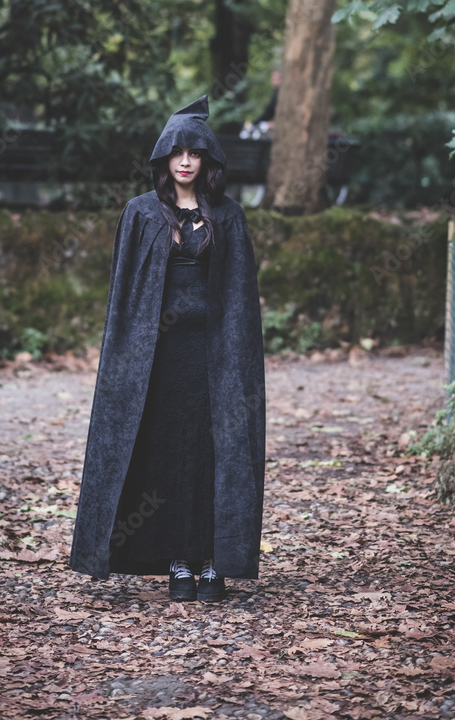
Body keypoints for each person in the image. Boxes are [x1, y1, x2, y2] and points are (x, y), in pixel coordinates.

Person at [68, 94, 266, 603]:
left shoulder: (228, 216)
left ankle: (213, 562)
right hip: (156, 360)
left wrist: (238, 360)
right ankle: (178, 561)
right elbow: (123, 296)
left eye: (195, 153)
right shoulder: (140, 214)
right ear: (164, 158)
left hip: (215, 358)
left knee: (212, 453)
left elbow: (241, 298)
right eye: (177, 152)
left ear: (207, 161)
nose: (185, 161)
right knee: (166, 454)